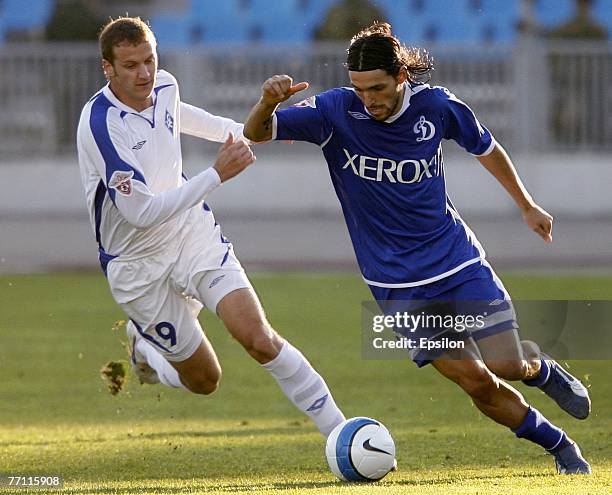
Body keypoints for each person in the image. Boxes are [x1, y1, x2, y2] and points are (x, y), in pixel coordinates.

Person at [244, 22, 592, 474]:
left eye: (378, 87)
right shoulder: (334, 112)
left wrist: (526, 205)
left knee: (506, 363)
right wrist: (268, 102)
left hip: (455, 262)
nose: (369, 98)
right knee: (475, 382)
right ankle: (561, 448)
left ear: (401, 78)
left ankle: (541, 370)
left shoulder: (437, 106)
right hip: (395, 284)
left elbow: (486, 147)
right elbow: (257, 133)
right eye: (360, 88)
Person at [76, 16, 345, 438]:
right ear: (107, 68)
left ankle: (341, 432)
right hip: (135, 264)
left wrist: (261, 129)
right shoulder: (100, 125)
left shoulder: (164, 85)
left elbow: (187, 118)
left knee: (258, 338)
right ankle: (145, 350)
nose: (144, 73)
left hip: (189, 235)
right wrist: (216, 175)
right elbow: (140, 214)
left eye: (149, 59)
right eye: (130, 65)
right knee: (205, 380)